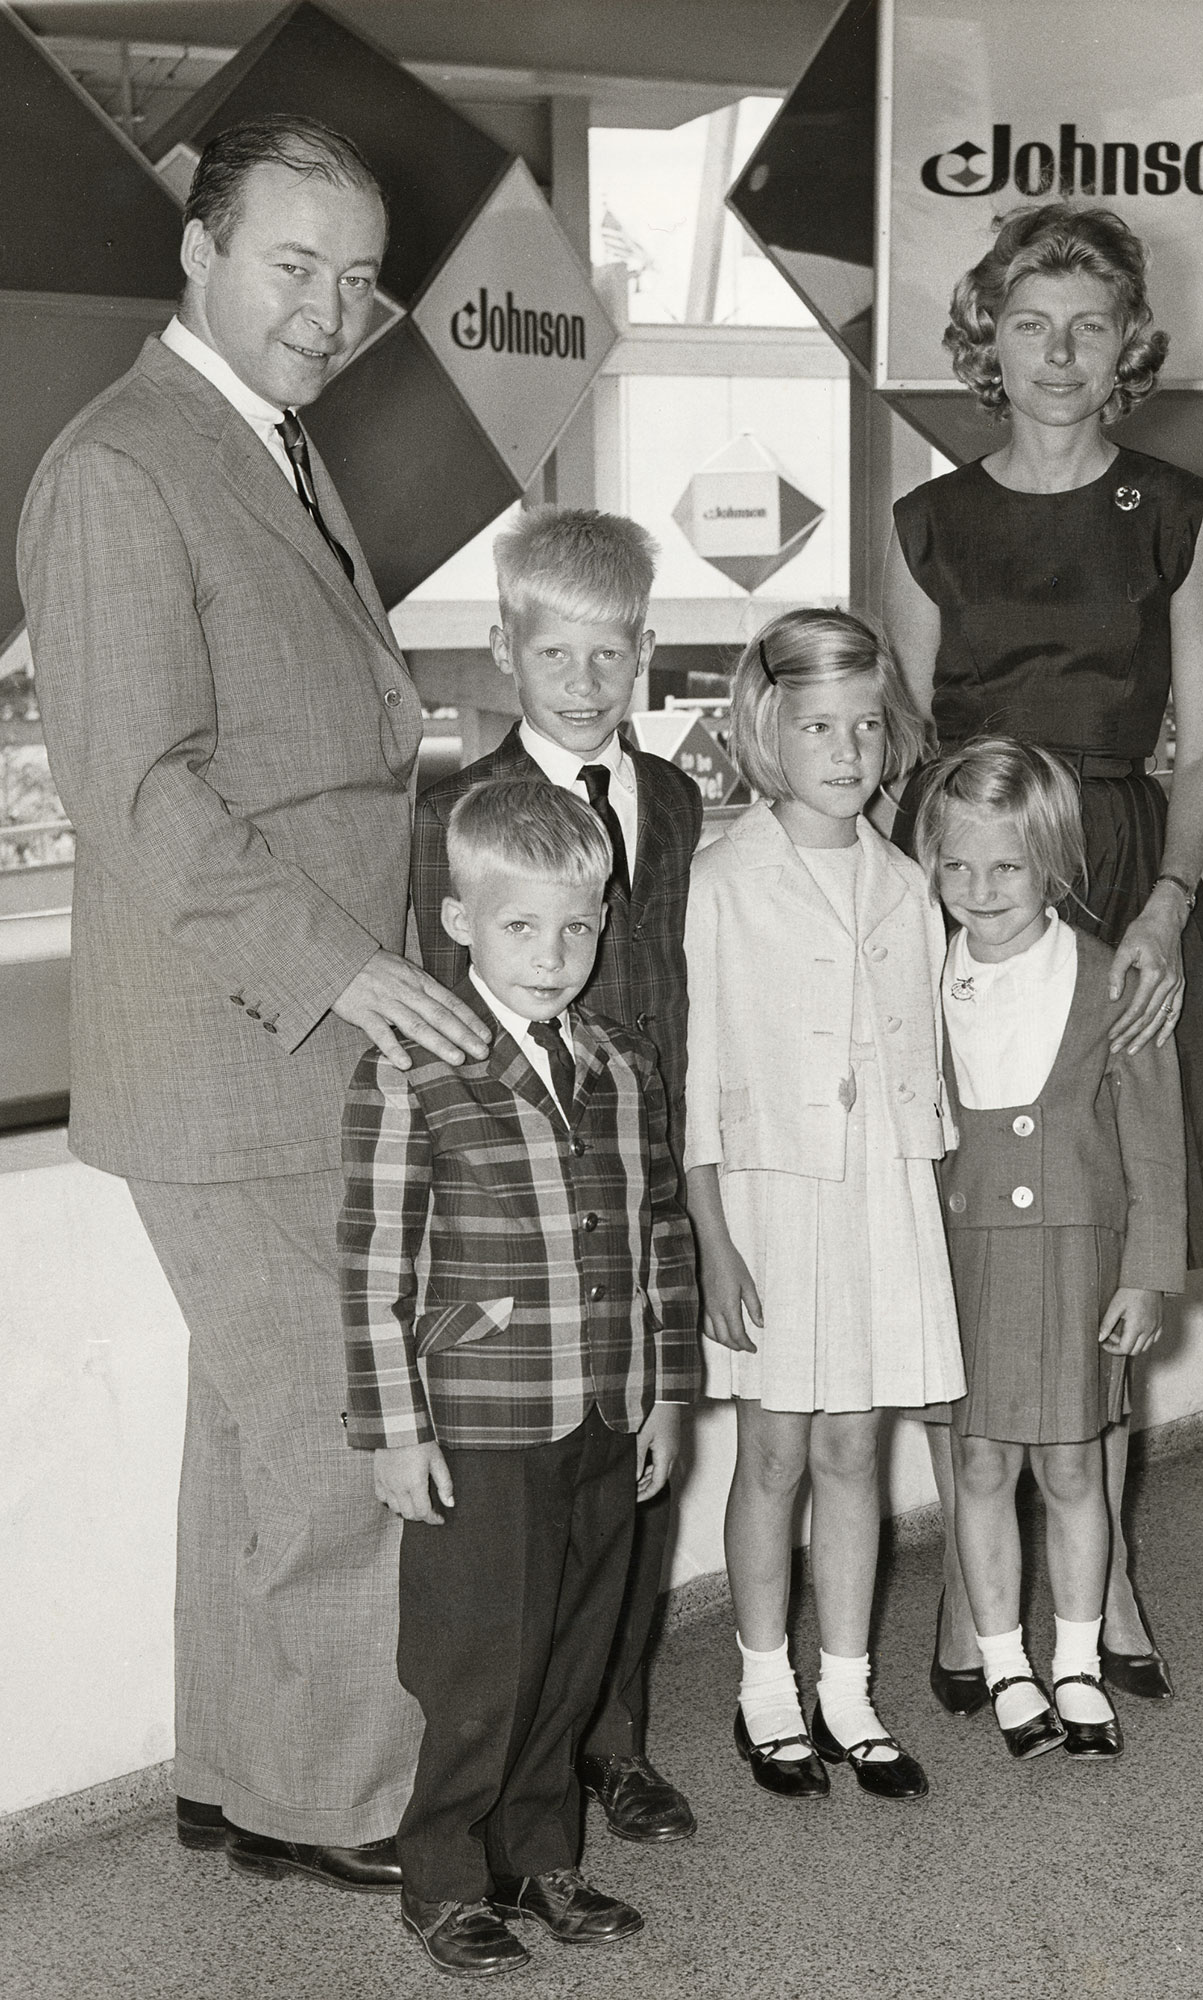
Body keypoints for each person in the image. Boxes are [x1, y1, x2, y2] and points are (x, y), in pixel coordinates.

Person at [18, 116, 493, 1888]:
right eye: (296, 265)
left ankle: (245, 1773)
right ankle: (347, 1803)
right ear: (200, 251)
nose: (329, 307)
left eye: (358, 279)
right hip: (248, 1038)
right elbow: (134, 789)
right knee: (342, 1440)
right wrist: (345, 964)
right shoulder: (124, 466)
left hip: (285, 1042)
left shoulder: (261, 444)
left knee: (258, 1438)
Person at [885, 203, 1203, 1707]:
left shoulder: (1179, 510)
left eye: (1087, 324)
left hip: (1124, 880)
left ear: (1130, 344)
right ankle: (964, 1589)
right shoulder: (925, 524)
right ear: (983, 339)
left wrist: (1172, 904)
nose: (1057, 354)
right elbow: (899, 749)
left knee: (1102, 1230)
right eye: (1028, 322)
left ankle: (1105, 1571)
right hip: (971, 885)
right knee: (960, 1243)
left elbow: (1201, 743)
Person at [340, 779, 699, 1978]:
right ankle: (445, 1874)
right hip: (484, 1419)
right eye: (520, 928)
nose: (554, 957)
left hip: (606, 1406)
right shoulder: (411, 1066)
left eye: (578, 927)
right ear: (458, 921)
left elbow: (658, 1233)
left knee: (575, 1646)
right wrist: (395, 1429)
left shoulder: (622, 1060)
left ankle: (544, 1853)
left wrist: (666, 1390)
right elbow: (375, 1259)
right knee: (481, 1658)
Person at [411, 507, 702, 1844]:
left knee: (633, 1490)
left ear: (643, 649)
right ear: (502, 648)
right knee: (530, 1529)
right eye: (556, 652)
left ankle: (615, 1743)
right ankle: (514, 1771)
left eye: (612, 652)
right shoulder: (451, 813)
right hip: (519, 1207)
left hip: (643, 1168)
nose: (586, 680)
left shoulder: (679, 798)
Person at [683, 609, 964, 1800]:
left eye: (862, 726)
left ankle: (846, 1684)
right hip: (768, 1201)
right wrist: (710, 1236)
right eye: (816, 727)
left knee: (857, 1444)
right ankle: (764, 1686)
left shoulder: (907, 882)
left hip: (880, 1196)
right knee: (776, 1450)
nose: (843, 751)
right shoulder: (720, 879)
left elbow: (928, 1063)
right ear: (767, 730)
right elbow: (694, 1069)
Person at [914, 739, 1186, 1761]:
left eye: (1007, 868)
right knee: (977, 1461)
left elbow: (1152, 1138)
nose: (979, 891)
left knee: (1076, 1464)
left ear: (1053, 864)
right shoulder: (919, 976)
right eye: (956, 866)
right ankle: (1004, 1660)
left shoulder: (1109, 971)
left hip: (1078, 1251)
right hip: (963, 1251)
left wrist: (1146, 1272)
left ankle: (1075, 1659)